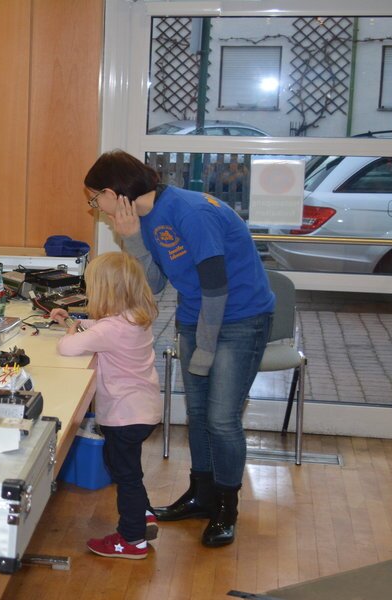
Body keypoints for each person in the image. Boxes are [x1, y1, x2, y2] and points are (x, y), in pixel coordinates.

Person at [83, 150, 274, 547]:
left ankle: (226, 508)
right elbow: (153, 284)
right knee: (199, 413)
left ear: (113, 192)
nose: (96, 207)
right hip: (195, 317)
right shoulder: (145, 219)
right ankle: (201, 496)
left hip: (240, 319)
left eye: (95, 198)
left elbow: (216, 287)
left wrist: (205, 346)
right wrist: (131, 237)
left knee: (222, 419)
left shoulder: (190, 212)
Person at [49, 252, 162, 560]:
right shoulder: (136, 318)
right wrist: (74, 320)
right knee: (128, 469)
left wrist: (70, 330)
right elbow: (99, 328)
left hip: (124, 416)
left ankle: (132, 539)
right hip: (143, 410)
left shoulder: (111, 329)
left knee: (125, 475)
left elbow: (68, 347)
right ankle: (144, 514)